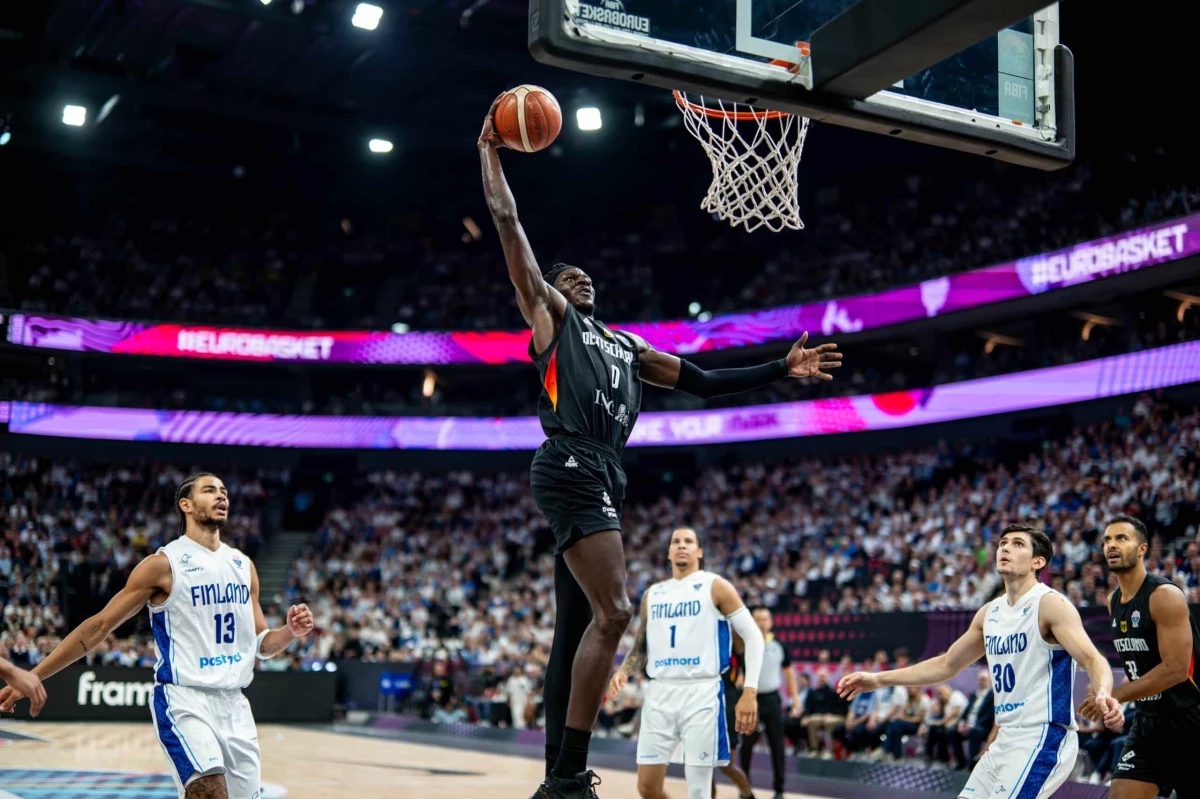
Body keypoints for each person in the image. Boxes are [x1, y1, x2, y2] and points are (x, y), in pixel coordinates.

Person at [479, 101, 842, 799]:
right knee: (615, 612)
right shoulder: (553, 320)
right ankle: (565, 777)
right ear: (550, 292)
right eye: (565, 276)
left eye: (585, 277)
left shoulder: (626, 345)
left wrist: (779, 369)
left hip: (605, 469)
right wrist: (489, 152)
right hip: (572, 458)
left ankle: (558, 771)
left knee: (576, 626)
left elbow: (703, 381)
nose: (577, 278)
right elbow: (508, 223)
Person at [0, 473, 314, 799]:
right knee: (210, 792)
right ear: (186, 505)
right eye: (210, 491)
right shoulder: (164, 564)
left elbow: (262, 645)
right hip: (184, 700)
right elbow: (98, 627)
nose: (222, 497)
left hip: (235, 706)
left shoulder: (242, 565)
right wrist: (31, 676)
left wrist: (290, 631)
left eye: (224, 491)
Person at [837, 523, 1124, 799]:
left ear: (1038, 562)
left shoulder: (1050, 604)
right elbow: (946, 664)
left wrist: (1102, 692)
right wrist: (878, 679)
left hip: (1043, 737)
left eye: (1017, 544)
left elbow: (1092, 658)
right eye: (1002, 543)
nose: (1005, 548)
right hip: (1006, 737)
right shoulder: (990, 613)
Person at [607, 528, 766, 799]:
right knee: (647, 788)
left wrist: (750, 691)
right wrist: (624, 670)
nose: (682, 546)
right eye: (676, 542)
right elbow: (641, 645)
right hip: (660, 693)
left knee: (699, 788)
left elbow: (753, 636)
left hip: (702, 692)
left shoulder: (715, 586)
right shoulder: (653, 594)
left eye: (689, 542)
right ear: (669, 552)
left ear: (699, 552)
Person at [1079, 515, 1200, 799]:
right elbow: (1139, 665)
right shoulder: (1112, 601)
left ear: (1142, 548)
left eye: (1121, 538)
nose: (1111, 545)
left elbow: (1175, 670)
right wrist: (1120, 703)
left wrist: (1116, 695)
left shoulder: (1164, 595)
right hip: (1148, 723)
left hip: (1190, 719)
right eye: (1107, 539)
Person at [739, 606, 797, 799]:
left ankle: (779, 789)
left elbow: (789, 675)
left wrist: (796, 700)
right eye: (758, 619)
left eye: (765, 619)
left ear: (770, 622)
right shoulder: (743, 644)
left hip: (772, 700)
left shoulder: (779, 645)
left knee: (777, 746)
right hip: (750, 699)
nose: (762, 622)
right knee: (746, 745)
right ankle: (745, 787)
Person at [949, 668, 994, 770]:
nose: (981, 682)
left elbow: (990, 717)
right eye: (980, 679)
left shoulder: (993, 696)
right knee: (952, 731)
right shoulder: (974, 695)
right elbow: (966, 712)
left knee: (974, 731)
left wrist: (972, 726)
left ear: (990, 681)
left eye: (984, 679)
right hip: (969, 725)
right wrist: (962, 723)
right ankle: (960, 763)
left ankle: (972, 764)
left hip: (982, 727)